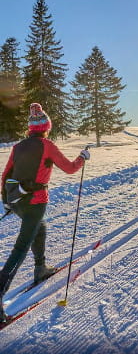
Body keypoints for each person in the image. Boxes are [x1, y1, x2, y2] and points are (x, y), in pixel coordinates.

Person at [0, 103, 90, 323]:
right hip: (36, 202)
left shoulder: (18, 147)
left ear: (31, 128)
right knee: (21, 247)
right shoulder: (47, 145)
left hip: (18, 201)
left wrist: (7, 202)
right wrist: (82, 158)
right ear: (46, 127)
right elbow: (70, 168)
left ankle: (40, 268)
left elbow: (4, 176)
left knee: (40, 226)